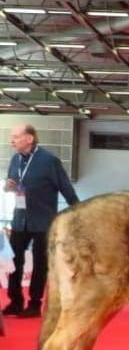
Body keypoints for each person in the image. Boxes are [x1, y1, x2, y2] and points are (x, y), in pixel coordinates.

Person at [3, 123, 80, 318]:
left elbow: (66, 188)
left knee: (39, 263)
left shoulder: (49, 161)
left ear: (29, 138)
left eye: (16, 137)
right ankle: (15, 300)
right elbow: (11, 184)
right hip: (20, 219)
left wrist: (79, 213)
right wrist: (8, 187)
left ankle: (35, 303)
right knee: (13, 260)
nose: (12, 140)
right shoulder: (15, 159)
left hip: (44, 221)